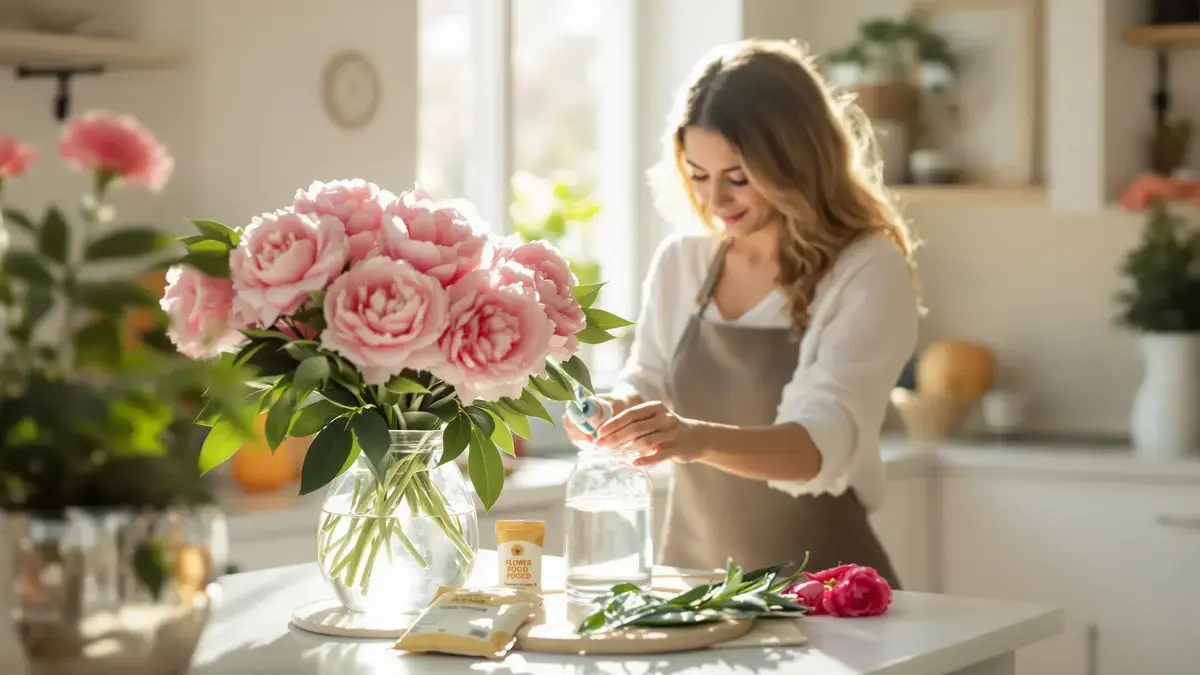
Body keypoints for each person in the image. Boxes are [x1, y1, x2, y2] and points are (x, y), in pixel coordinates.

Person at [562, 38, 921, 587]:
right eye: (698, 175)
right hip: (694, 585)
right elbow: (650, 377)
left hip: (829, 595)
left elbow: (819, 446)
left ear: (798, 161)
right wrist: (619, 413)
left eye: (738, 177)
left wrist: (694, 438)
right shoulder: (685, 262)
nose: (715, 202)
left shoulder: (867, 269)